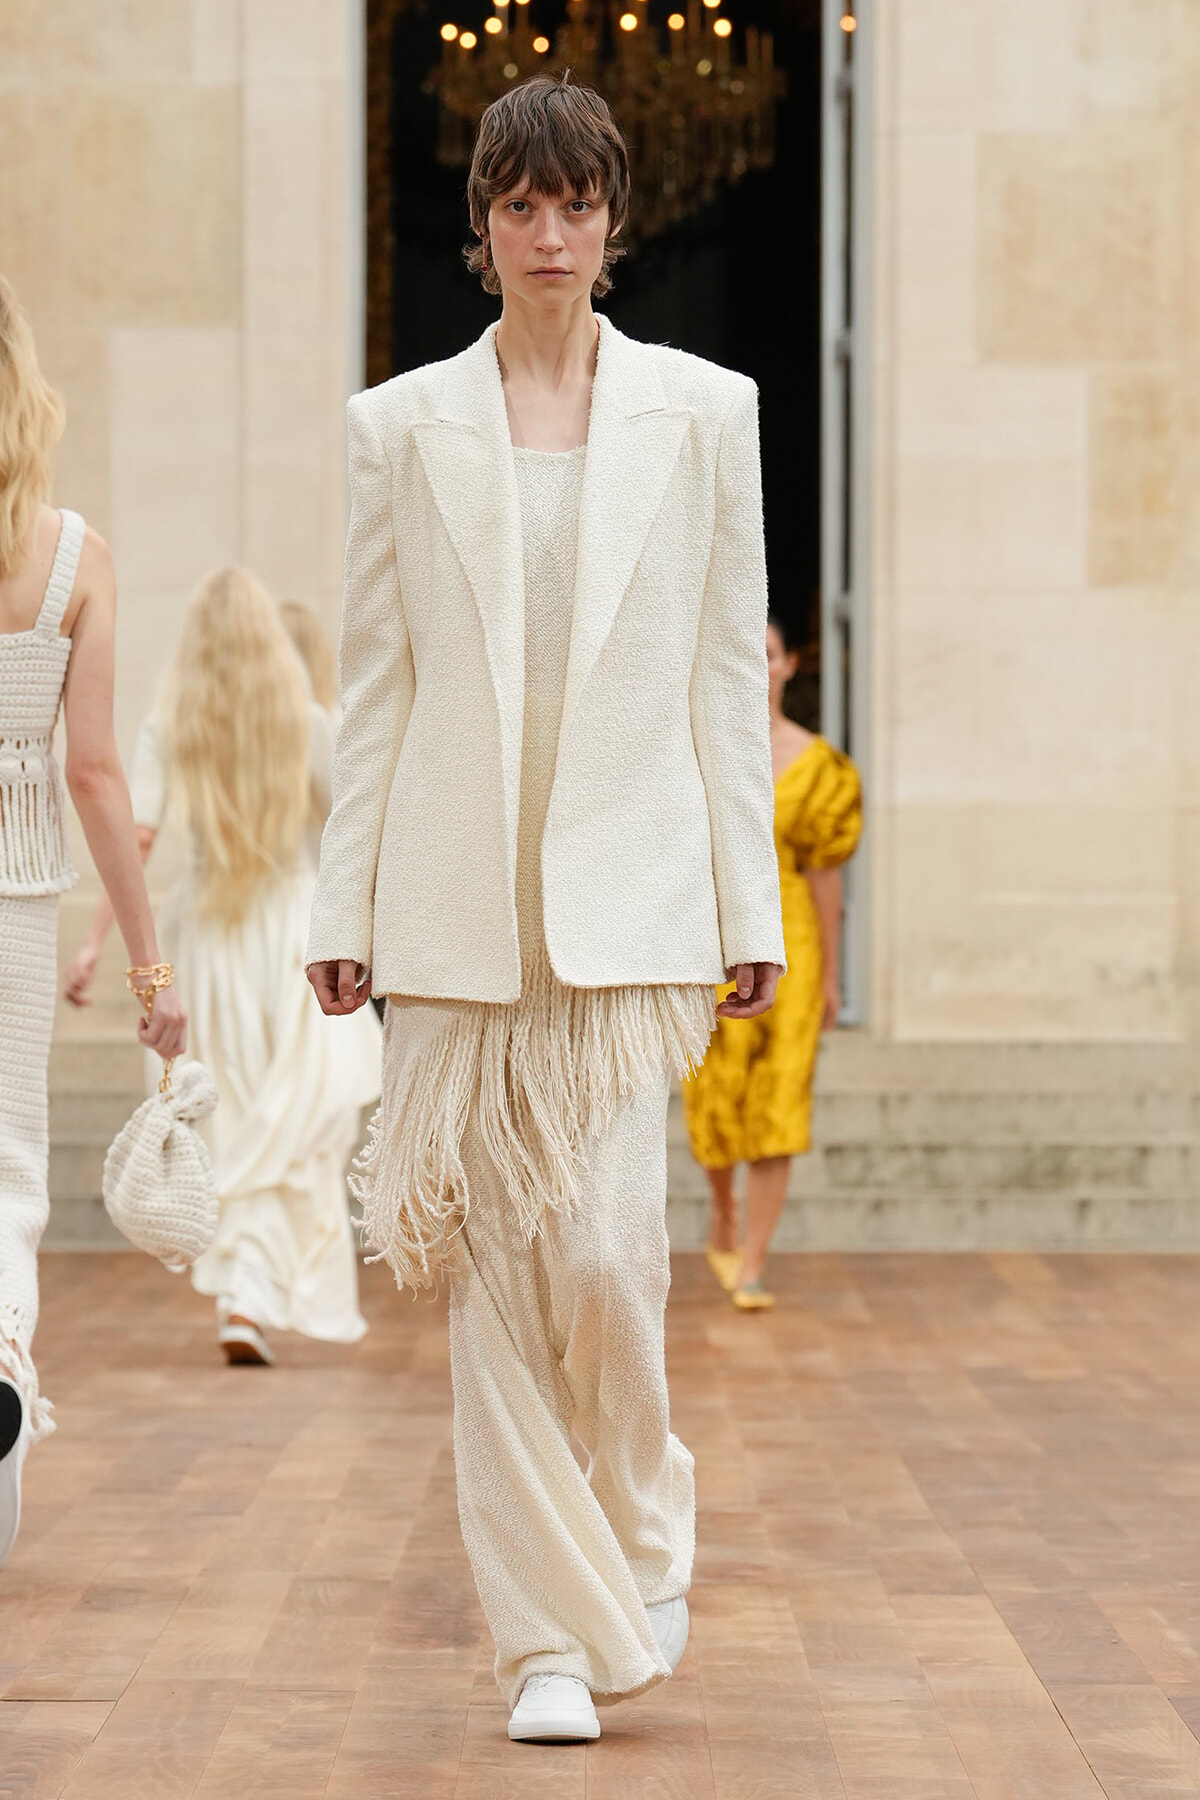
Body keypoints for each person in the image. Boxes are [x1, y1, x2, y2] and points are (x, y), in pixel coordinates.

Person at [305, 75, 784, 1744]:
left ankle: (645, 1523)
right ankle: (544, 1648)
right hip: (455, 912)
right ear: (484, 226)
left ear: (614, 218)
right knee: (495, 1284)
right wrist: (340, 893)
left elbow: (731, 679)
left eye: (575, 203)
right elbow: (375, 688)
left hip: (631, 909)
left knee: (604, 1261)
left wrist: (753, 913)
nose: (550, 231)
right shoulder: (397, 429)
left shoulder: (706, 415)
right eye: (521, 203)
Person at [63, 568, 380, 1366]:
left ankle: (246, 1291)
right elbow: (353, 832)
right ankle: (252, 1292)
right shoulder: (307, 721)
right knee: (299, 1115)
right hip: (292, 936)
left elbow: (132, 840)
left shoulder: (172, 725)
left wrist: (101, 943)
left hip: (204, 939)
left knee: (232, 1113)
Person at [0, 276, 186, 1569]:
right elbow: (95, 773)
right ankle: (2, 1355)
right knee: (5, 1166)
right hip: (15, 900)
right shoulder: (72, 558)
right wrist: (147, 962)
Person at [684, 614, 862, 1310]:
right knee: (714, 1098)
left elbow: (827, 882)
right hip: (713, 938)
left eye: (767, 654)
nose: (757, 667)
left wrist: (833, 982)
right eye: (743, 653)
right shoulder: (701, 753)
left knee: (781, 1098)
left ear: (788, 665)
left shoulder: (820, 766)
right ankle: (723, 1206)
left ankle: (752, 1259)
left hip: (793, 941)